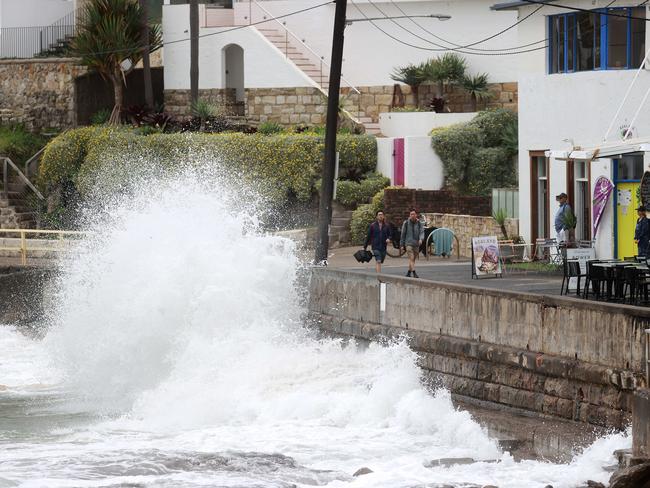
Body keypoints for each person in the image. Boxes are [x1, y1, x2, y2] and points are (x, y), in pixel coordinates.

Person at [400, 208, 424, 278]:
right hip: (408, 243)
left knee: (413, 259)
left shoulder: (419, 223)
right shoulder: (406, 223)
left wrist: (421, 239)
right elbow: (403, 234)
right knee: (411, 257)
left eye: (413, 214)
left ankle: (408, 272)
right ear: (409, 215)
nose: (412, 215)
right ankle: (414, 273)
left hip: (416, 244)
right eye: (411, 214)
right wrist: (401, 244)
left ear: (416, 215)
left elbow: (422, 232)